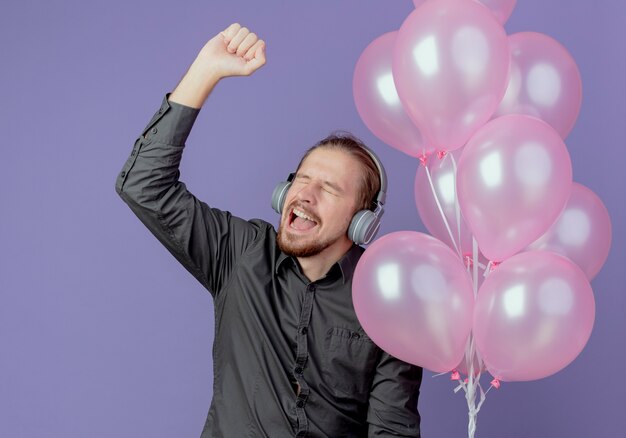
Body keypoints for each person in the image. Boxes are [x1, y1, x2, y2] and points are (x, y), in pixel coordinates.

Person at [116, 23, 422, 438]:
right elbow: (144, 185)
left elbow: (392, 431)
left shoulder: (388, 302)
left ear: (361, 221)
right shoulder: (240, 252)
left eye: (329, 188)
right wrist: (206, 70)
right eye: (302, 179)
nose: (306, 194)